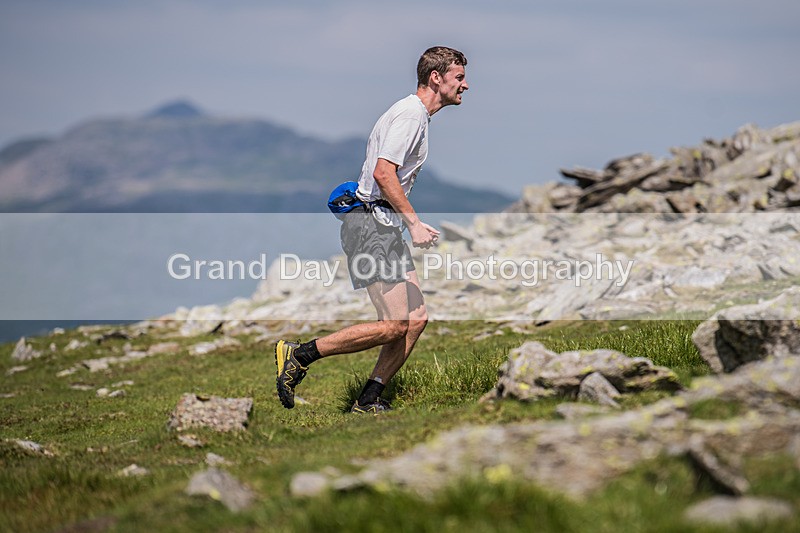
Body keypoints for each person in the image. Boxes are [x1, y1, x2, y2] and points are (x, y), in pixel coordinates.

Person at [275, 46, 469, 413]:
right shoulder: (411, 116)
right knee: (395, 325)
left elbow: (382, 179)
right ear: (436, 78)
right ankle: (300, 354)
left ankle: (368, 399)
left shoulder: (414, 116)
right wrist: (412, 222)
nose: (466, 85)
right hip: (370, 228)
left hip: (380, 225)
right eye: (459, 77)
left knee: (416, 319)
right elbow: (383, 172)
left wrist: (403, 219)